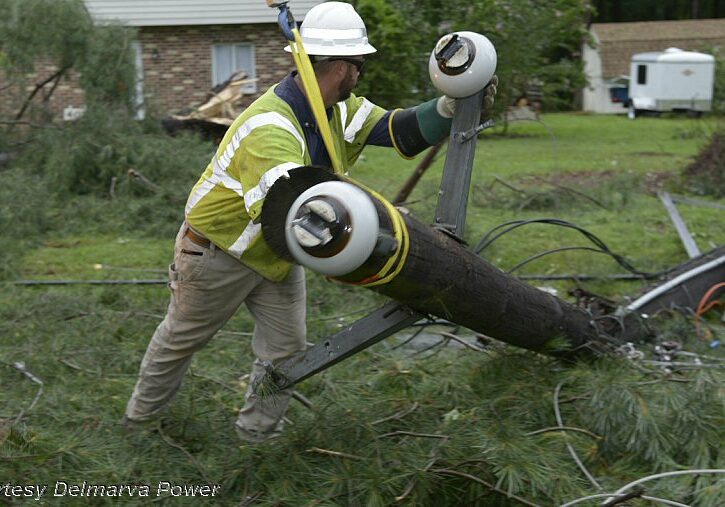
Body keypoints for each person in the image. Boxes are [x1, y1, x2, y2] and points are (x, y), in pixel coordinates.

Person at [123, 1, 497, 442]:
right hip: (219, 255)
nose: (361, 75)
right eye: (359, 65)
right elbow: (291, 206)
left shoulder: (338, 110)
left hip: (279, 255)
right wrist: (381, 226)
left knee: (284, 351)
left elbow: (402, 130)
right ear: (342, 67)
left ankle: (258, 435)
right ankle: (139, 423)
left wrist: (453, 107)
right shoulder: (268, 127)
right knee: (181, 340)